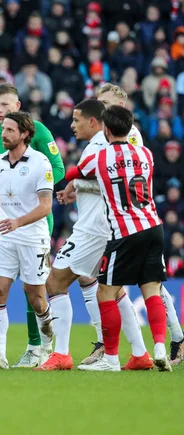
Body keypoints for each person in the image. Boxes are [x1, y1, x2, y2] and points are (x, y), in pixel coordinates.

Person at [42, 99, 153, 371]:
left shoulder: (99, 147)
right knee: (113, 290)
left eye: (76, 119)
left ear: (94, 122)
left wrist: (73, 185)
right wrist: (75, 188)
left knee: (55, 281)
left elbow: (103, 183)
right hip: (114, 227)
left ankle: (62, 354)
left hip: (92, 228)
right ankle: (140, 354)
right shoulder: (120, 143)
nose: (72, 125)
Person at [0, 83, 65, 368]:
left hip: (33, 221)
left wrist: (30, 187)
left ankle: (38, 345)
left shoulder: (39, 134)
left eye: (5, 106)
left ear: (17, 106)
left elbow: (58, 170)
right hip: (4, 224)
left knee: (33, 291)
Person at [68, 105, 171, 372]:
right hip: (153, 226)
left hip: (124, 232)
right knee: (151, 289)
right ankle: (159, 345)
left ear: (106, 129)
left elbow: (76, 173)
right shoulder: (146, 153)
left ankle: (111, 358)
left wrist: (64, 181)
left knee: (105, 292)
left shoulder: (101, 157)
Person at [95, 83, 184, 366]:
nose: (102, 109)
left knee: (150, 287)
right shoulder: (109, 132)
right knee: (151, 285)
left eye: (106, 103)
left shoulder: (128, 135)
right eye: (99, 104)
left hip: (131, 221)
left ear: (121, 103)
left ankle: (175, 339)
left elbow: (126, 175)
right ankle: (158, 345)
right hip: (123, 219)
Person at [0, 111, 54, 369]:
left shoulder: (41, 162)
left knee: (36, 297)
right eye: (3, 130)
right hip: (5, 237)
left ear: (24, 134)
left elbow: (46, 207)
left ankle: (47, 346)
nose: (3, 134)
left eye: (9, 130)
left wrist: (18, 221)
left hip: (33, 237)